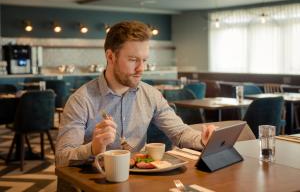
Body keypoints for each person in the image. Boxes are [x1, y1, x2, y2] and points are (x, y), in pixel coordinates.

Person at [55, 21, 216, 167]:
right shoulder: (81, 100)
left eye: (144, 60)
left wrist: (202, 139)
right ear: (110, 57)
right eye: (133, 59)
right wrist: (93, 148)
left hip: (139, 181)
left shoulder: (151, 94)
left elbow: (180, 132)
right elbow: (61, 158)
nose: (141, 69)